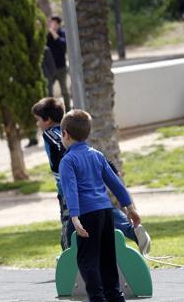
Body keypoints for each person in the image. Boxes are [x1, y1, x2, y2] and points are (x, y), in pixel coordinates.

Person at [31, 98, 150, 253]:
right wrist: (111, 167)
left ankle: (69, 257)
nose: (37, 124)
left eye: (38, 120)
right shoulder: (81, 142)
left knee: (69, 224)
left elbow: (60, 145)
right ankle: (132, 231)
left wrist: (68, 155)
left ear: (47, 120)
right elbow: (92, 153)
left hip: (68, 186)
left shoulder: (51, 134)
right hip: (90, 186)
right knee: (104, 210)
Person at [59, 109, 142, 302]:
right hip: (106, 212)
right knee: (107, 257)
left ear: (65, 134)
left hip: (86, 214)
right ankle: (115, 296)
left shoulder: (67, 160)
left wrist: (74, 217)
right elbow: (115, 183)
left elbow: (71, 190)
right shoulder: (97, 155)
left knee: (87, 260)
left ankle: (97, 298)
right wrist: (130, 207)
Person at [46, 16, 71, 112]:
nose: (51, 25)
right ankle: (51, 111)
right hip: (50, 69)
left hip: (61, 68)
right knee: (49, 91)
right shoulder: (48, 36)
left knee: (64, 91)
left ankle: (68, 110)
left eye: (53, 23)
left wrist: (53, 33)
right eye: (51, 23)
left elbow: (63, 45)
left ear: (58, 24)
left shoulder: (62, 33)